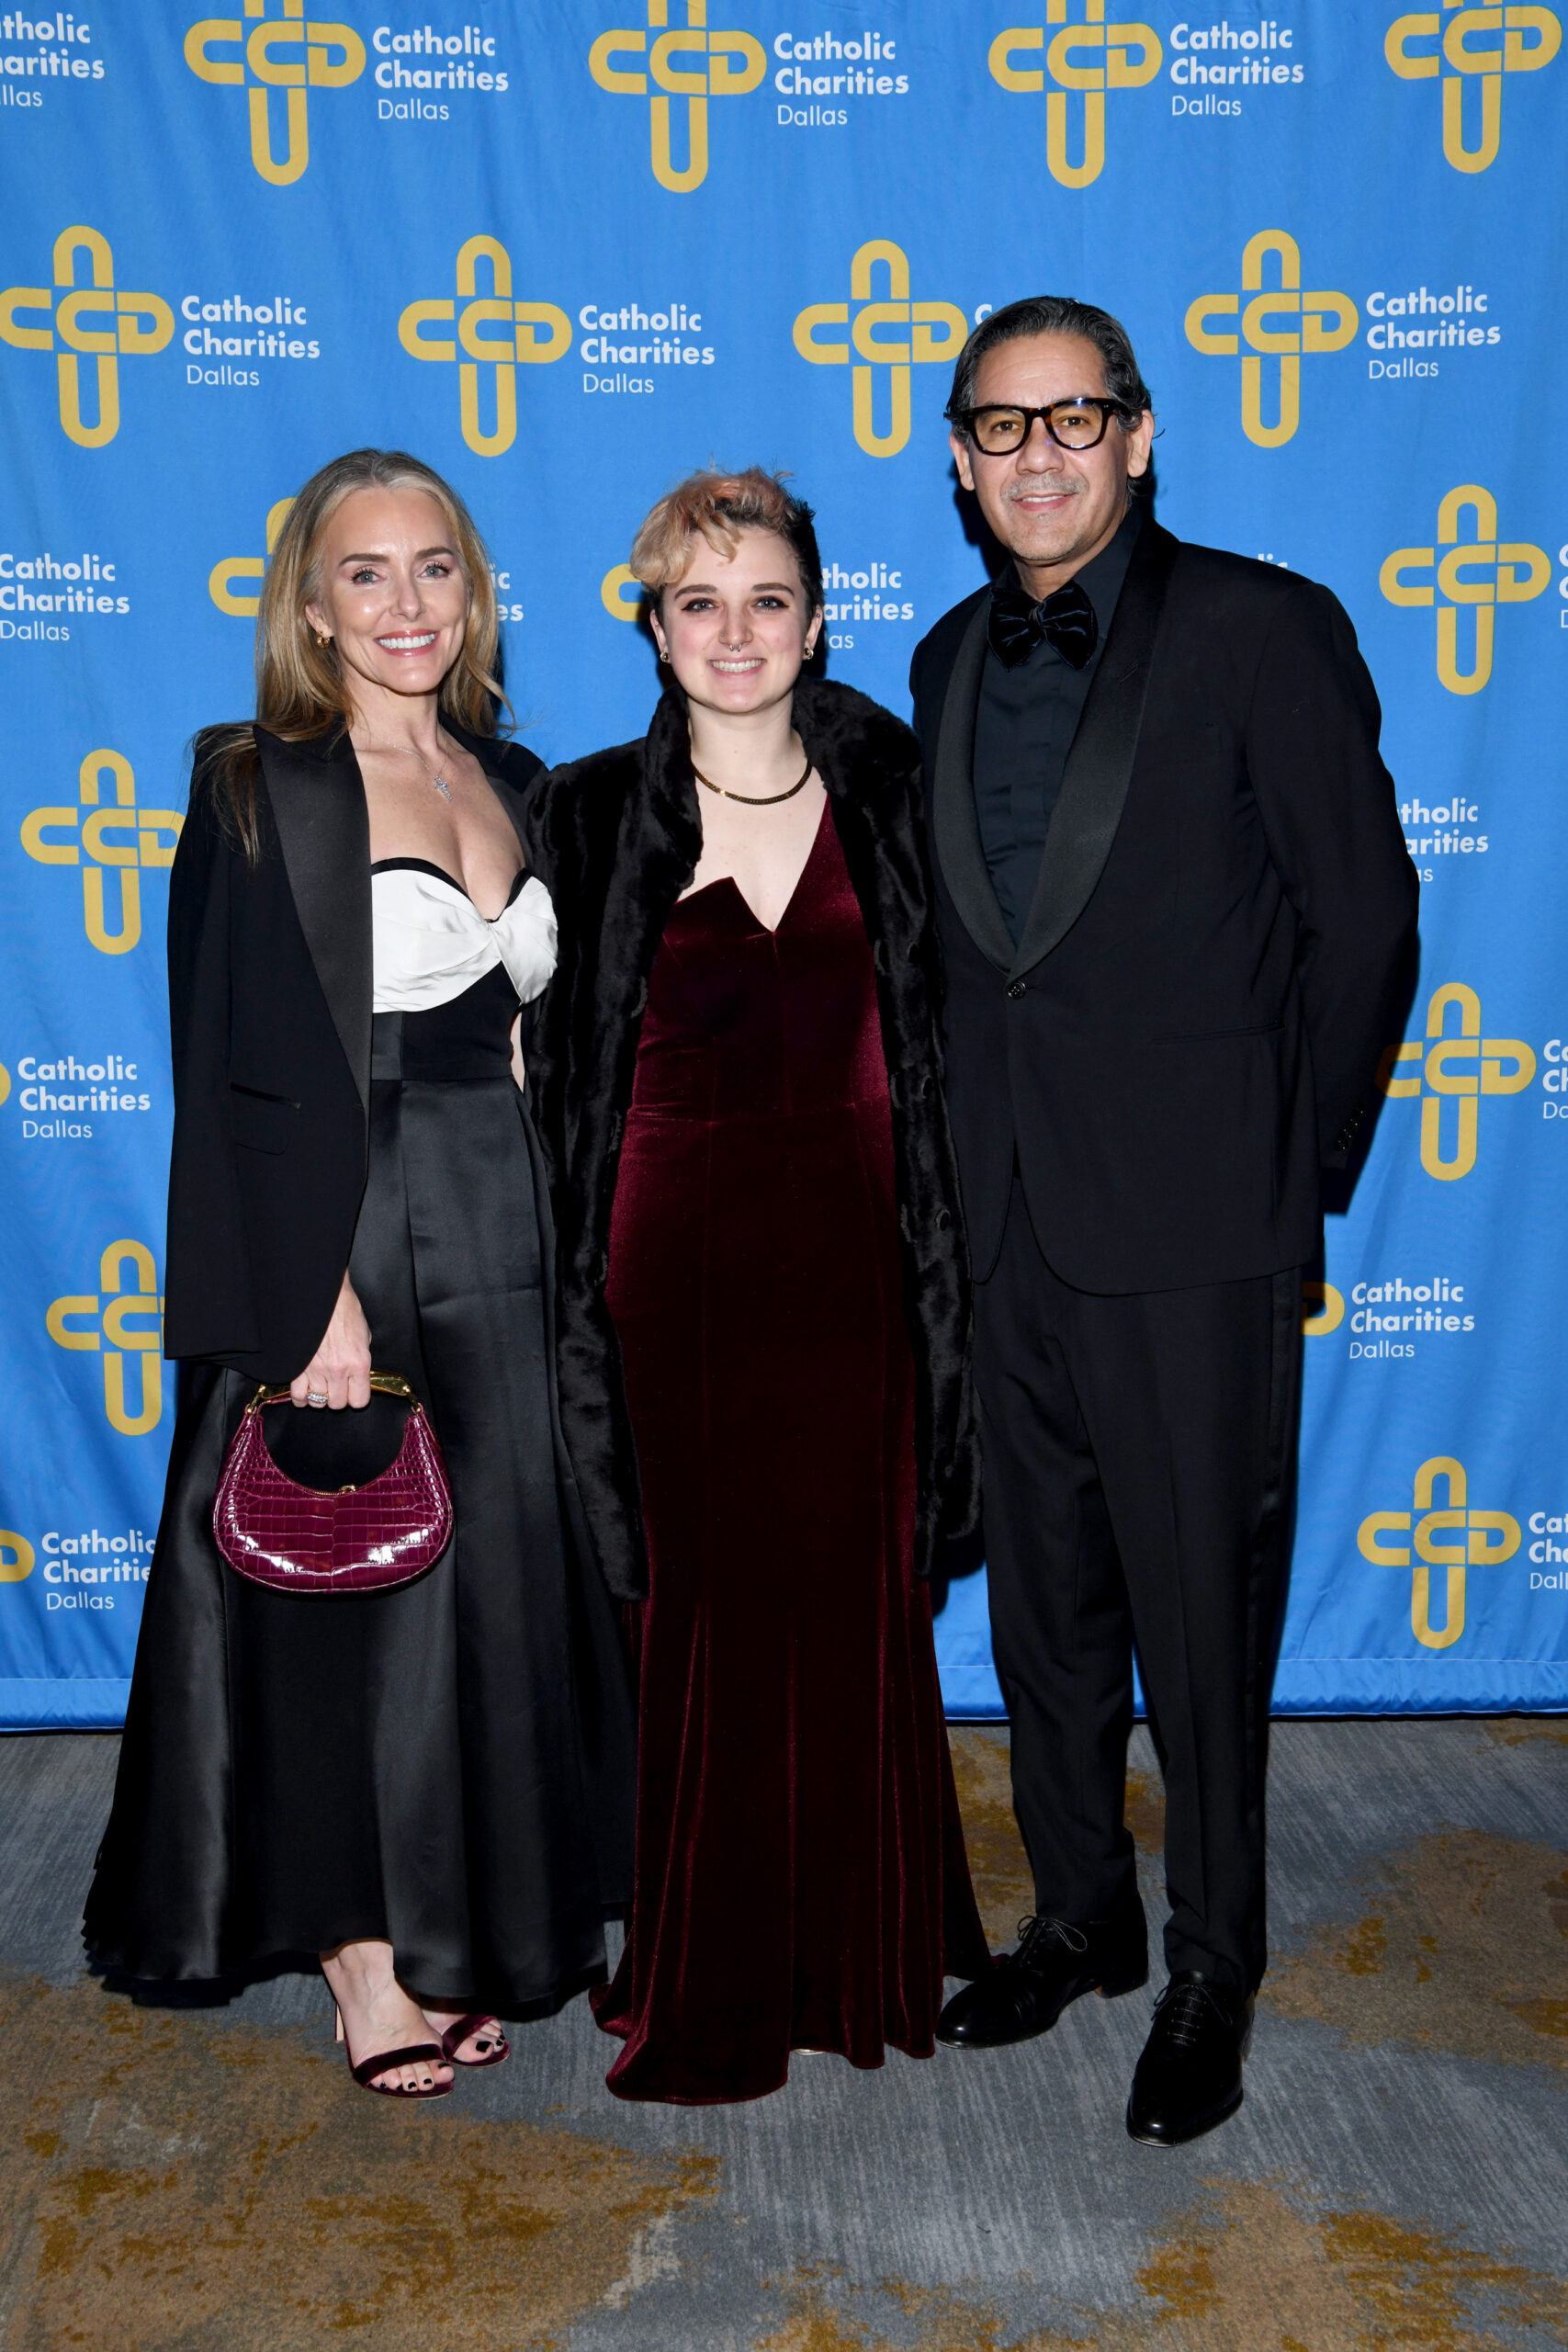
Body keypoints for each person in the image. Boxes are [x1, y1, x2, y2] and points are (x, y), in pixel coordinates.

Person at [910, 300, 1417, 2144]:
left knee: (1202, 1624)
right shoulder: (945, 653)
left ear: (1137, 435)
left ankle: (1214, 1961)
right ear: (960, 460)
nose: (1037, 453)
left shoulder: (1264, 630)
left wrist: (1286, 1176)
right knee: (1044, 1607)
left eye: (1075, 417)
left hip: (1198, 1228)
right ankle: (1082, 1913)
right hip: (1004, 1219)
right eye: (1001, 424)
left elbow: (1362, 922)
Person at [85, 448, 635, 2098]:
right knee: (350, 1598)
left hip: (510, 1222)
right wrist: (304, 1296)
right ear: (311, 607)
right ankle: (364, 1960)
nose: (407, 604)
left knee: (495, 1585)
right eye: (367, 572)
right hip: (353, 1224)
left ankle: (480, 1922)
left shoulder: (514, 777)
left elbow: (536, 1033)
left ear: (474, 590)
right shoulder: (258, 784)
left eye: (435, 567)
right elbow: (223, 1065)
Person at [524, 468, 990, 2104]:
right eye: (699, 602)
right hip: (677, 1267)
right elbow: (537, 1071)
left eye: (767, 600)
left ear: (816, 619)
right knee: (703, 1613)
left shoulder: (894, 785)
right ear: (655, 628)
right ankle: (711, 1968)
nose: (736, 634)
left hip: (862, 1254)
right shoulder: (586, 815)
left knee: (857, 1594)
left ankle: (856, 1947)